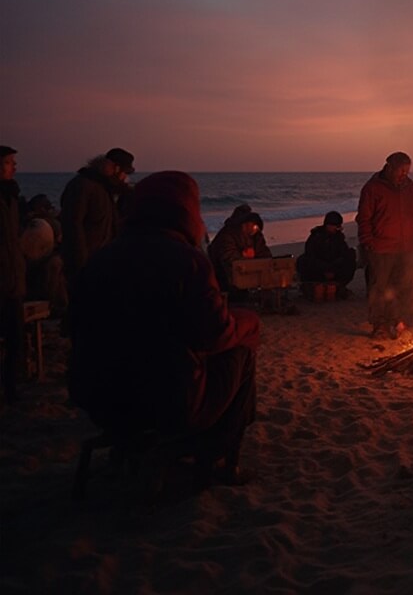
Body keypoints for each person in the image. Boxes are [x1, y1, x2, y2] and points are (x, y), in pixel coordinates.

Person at [68, 171, 260, 489]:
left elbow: (74, 326)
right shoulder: (187, 262)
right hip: (168, 402)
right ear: (185, 210)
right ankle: (222, 454)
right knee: (242, 350)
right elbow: (216, 334)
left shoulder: (101, 259)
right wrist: (247, 321)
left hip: (98, 399)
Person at [356, 151, 413, 339]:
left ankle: (398, 321)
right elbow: (364, 218)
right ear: (389, 166)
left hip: (405, 247)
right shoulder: (373, 188)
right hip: (381, 248)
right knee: (379, 288)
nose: (404, 175)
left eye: (407, 171)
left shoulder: (409, 186)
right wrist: (368, 242)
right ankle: (379, 325)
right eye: (401, 171)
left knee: (402, 286)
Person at [60, 147, 136, 291]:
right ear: (115, 168)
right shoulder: (83, 186)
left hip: (99, 263)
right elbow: (73, 226)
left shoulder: (104, 188)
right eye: (125, 173)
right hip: (86, 265)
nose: (125, 178)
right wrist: (81, 265)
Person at [0, 146, 26, 404]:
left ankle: (10, 388)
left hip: (13, 281)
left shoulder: (12, 198)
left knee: (15, 340)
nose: (14, 167)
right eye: (9, 162)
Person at [207, 207, 272, 298]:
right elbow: (230, 260)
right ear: (244, 224)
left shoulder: (255, 236)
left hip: (252, 273)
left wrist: (266, 265)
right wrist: (249, 262)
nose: (255, 229)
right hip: (225, 277)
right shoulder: (226, 236)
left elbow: (264, 252)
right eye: (253, 225)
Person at [296, 211, 357, 294]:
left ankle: (339, 285)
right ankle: (312, 286)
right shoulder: (316, 237)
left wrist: (333, 269)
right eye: (336, 226)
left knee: (351, 255)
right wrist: (325, 269)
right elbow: (310, 255)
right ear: (328, 225)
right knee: (302, 261)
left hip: (334, 268)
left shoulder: (338, 237)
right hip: (318, 269)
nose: (337, 229)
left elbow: (344, 253)